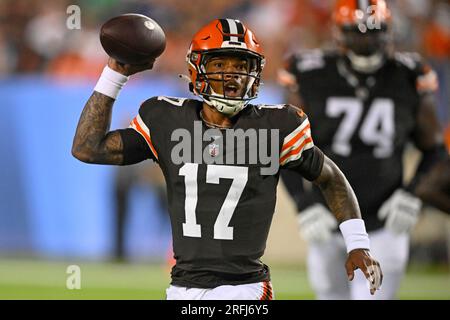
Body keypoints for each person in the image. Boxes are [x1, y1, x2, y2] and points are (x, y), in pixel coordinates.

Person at [72, 18, 382, 300]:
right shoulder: (166, 118)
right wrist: (114, 74)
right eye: (221, 65)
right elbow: (88, 148)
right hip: (182, 287)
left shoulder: (277, 126)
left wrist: (357, 242)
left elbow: (330, 177)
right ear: (198, 69)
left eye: (242, 66)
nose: (232, 75)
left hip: (243, 289)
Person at [278, 0, 448, 300]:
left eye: (374, 32)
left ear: (388, 32)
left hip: (384, 218)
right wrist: (302, 203)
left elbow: (434, 147)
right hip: (327, 214)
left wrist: (411, 194)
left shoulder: (407, 74)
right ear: (338, 32)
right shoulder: (311, 72)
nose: (366, 41)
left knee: (373, 297)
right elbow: (285, 144)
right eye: (357, 32)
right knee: (329, 295)